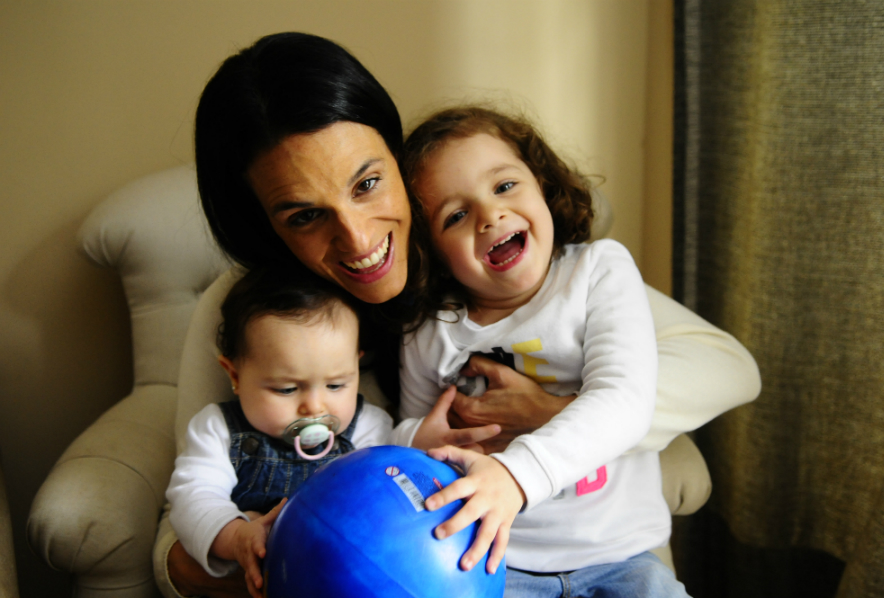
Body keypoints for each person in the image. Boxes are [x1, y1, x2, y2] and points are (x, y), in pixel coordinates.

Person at [154, 31, 760, 598]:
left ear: (400, 164)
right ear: (263, 226)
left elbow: (723, 365)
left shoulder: (524, 275)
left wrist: (549, 415)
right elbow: (179, 545)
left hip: (595, 541)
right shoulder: (255, 315)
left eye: (366, 184)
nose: (357, 236)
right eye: (304, 215)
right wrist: (288, 556)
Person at [391, 106, 686, 596]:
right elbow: (414, 446)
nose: (490, 215)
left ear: (543, 185)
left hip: (620, 554)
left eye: (504, 186)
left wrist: (514, 474)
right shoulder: (428, 330)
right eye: (457, 215)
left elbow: (626, 400)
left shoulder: (597, 272)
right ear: (431, 253)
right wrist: (420, 438)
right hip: (494, 560)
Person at [165, 267, 393, 598]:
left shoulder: (370, 426)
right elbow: (192, 497)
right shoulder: (217, 429)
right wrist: (237, 537)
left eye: (336, 384)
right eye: (286, 389)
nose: (315, 407)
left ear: (357, 367)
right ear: (235, 375)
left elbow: (386, 497)